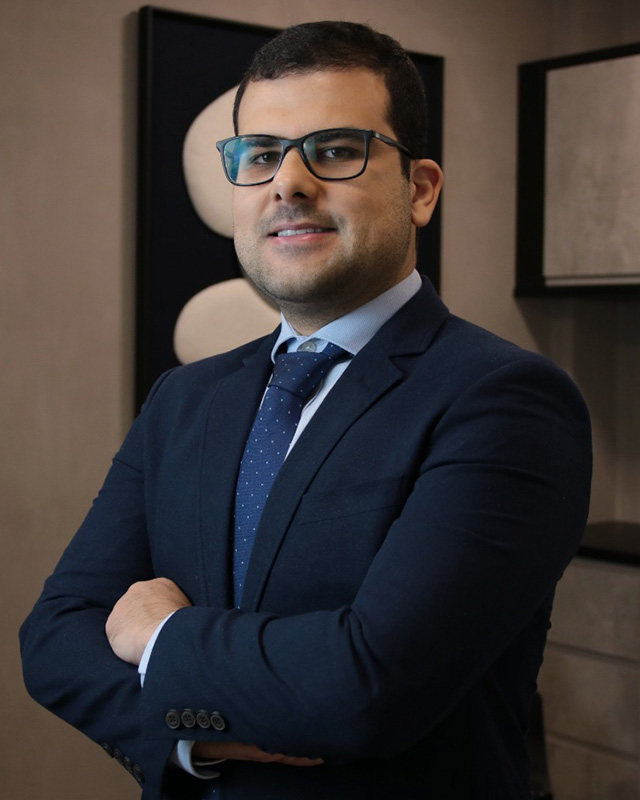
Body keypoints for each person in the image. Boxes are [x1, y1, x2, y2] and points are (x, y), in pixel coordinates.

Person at [20, 20, 591, 800]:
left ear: (420, 189)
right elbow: (56, 636)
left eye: (335, 150)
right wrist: (193, 739)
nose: (288, 184)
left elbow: (368, 685)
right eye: (260, 155)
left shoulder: (505, 401)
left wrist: (163, 634)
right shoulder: (184, 399)